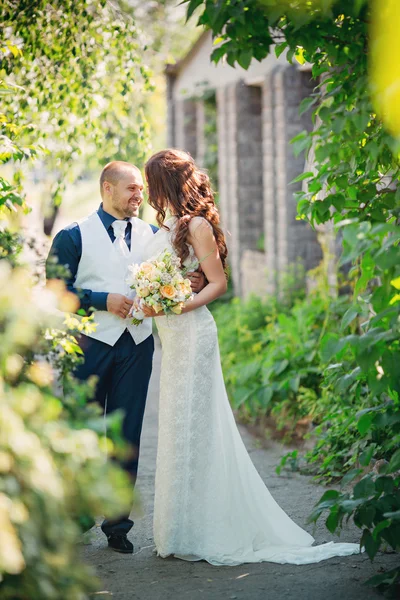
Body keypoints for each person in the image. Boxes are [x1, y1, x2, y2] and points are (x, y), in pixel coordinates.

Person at [141, 148, 361, 566]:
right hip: (172, 340)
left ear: (165, 183)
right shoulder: (169, 224)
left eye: (153, 183)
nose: (150, 192)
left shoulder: (199, 225)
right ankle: (178, 529)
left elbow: (218, 284)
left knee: (196, 428)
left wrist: (173, 306)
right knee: (177, 428)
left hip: (194, 333)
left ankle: (202, 529)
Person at [45, 161, 205, 554]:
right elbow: (53, 290)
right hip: (88, 344)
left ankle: (118, 525)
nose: (139, 196)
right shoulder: (72, 236)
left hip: (136, 345)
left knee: (127, 436)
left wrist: (192, 283)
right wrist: (101, 300)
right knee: (81, 434)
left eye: (141, 189)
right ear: (107, 189)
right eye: (131, 188)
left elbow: (178, 275)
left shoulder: (154, 235)